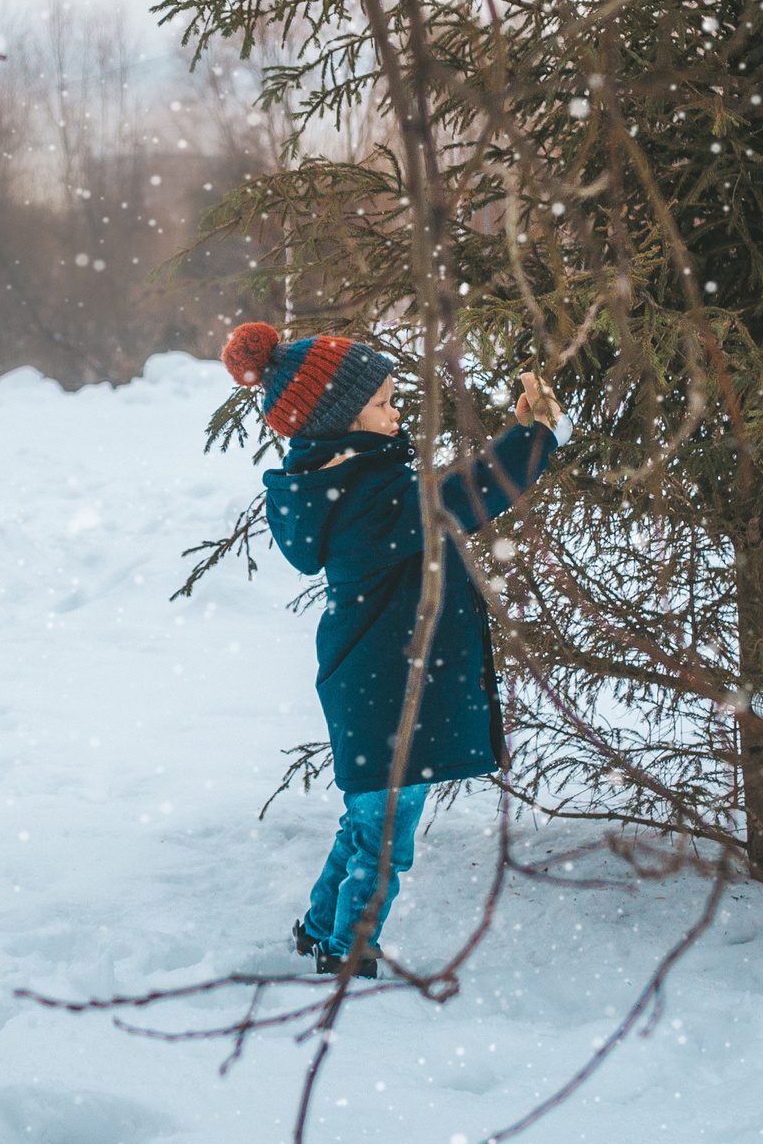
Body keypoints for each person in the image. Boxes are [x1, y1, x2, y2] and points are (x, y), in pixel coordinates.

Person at [222, 322, 562, 979]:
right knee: (384, 838)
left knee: (365, 822)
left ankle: (320, 929)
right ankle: (349, 951)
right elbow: (466, 493)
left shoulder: (343, 487)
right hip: (386, 690)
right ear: (342, 423)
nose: (397, 413)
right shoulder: (370, 500)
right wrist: (537, 436)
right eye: (382, 403)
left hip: (370, 681)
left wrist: (522, 431)